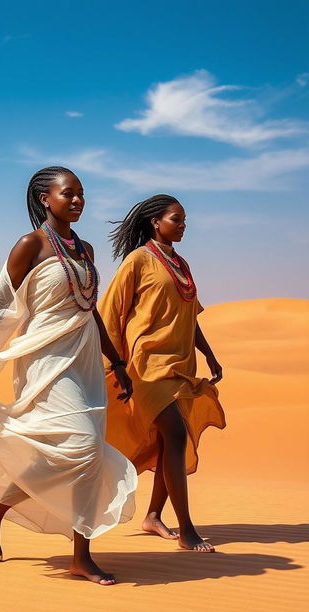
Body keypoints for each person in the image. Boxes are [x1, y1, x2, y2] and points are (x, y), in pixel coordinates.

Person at [0, 167, 137, 585]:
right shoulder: (30, 245)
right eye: (68, 193)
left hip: (84, 361)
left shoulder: (86, 249)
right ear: (46, 198)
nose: (78, 200)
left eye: (82, 194)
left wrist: (115, 361)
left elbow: (88, 309)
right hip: (43, 361)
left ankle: (12, 515)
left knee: (76, 454)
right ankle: (27, 523)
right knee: (82, 449)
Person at [99, 195, 226, 552]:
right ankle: (187, 530)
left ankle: (153, 515)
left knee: (168, 441)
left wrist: (210, 354)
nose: (183, 225)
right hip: (145, 366)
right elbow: (110, 314)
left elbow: (190, 316)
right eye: (177, 219)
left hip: (180, 367)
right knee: (176, 433)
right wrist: (114, 365)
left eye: (185, 219)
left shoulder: (181, 264)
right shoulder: (138, 261)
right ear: (156, 221)